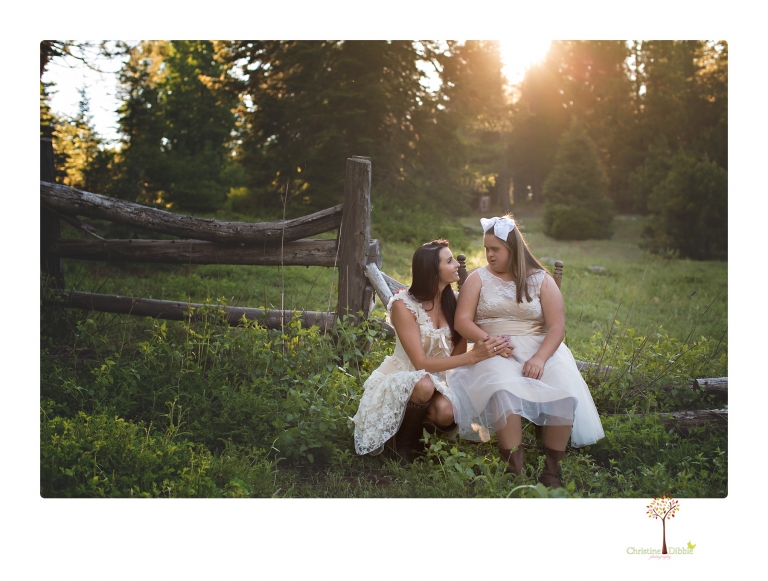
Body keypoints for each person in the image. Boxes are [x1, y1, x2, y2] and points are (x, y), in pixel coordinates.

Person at [448, 215, 605, 487]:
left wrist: (540, 358)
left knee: (564, 391)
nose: (489, 255)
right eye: (486, 249)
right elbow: (462, 321)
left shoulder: (541, 280)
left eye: (495, 249)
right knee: (502, 390)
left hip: (538, 347)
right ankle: (515, 470)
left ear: (513, 249)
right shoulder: (477, 278)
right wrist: (488, 340)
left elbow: (557, 327)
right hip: (494, 348)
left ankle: (552, 472)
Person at [351, 239, 513, 463]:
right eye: (449, 261)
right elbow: (420, 363)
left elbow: (456, 358)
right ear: (432, 271)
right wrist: (474, 355)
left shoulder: (454, 303)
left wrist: (483, 348)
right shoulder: (403, 305)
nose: (457, 264)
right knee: (424, 383)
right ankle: (403, 447)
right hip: (402, 375)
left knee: (447, 413)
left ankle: (417, 435)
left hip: (438, 379)